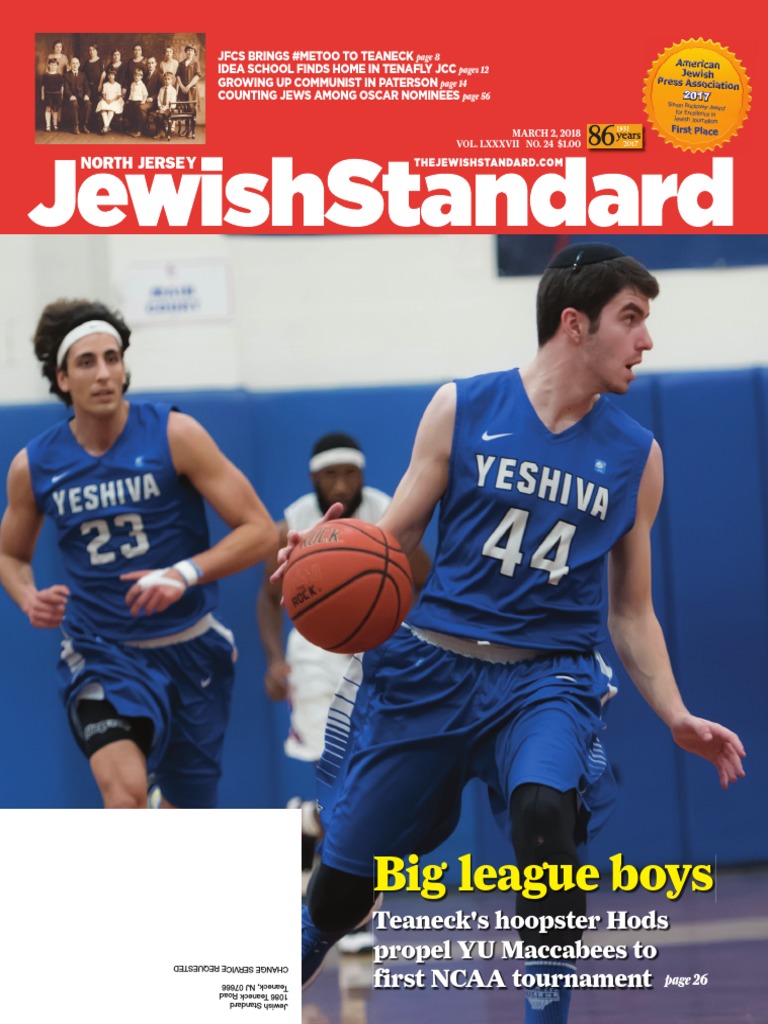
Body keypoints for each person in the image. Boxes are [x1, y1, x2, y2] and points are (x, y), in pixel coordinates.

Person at [284, 244, 747, 1020]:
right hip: (429, 671)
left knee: (545, 827)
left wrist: (675, 712)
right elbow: (393, 542)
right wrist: (321, 559)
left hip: (545, 681)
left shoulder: (637, 456)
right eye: (631, 318)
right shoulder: (462, 407)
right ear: (575, 324)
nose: (646, 340)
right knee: (339, 891)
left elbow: (631, 611)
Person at [0, 300, 278, 810]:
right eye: (87, 362)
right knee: (124, 794)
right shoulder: (34, 464)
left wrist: (184, 573)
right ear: (63, 379)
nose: (104, 373)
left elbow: (259, 530)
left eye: (113, 358)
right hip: (101, 652)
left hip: (190, 646)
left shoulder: (175, 435)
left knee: (185, 811)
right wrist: (26, 596)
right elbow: (10, 555)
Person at [257, 432, 430, 896]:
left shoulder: (386, 511)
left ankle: (307, 821)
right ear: (314, 477)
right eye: (330, 475)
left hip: (376, 650)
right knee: (337, 774)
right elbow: (269, 598)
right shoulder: (294, 520)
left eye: (350, 474)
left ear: (362, 475)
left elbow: (423, 577)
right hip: (314, 654)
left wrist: (413, 637)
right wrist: (274, 659)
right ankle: (349, 905)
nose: (340, 485)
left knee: (369, 777)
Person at [63, 57, 91, 134]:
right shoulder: (66, 75)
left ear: (79, 64)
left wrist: (87, 95)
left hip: (81, 97)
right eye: (73, 63)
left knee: (88, 104)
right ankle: (75, 126)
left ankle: (84, 125)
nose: (75, 65)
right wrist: (70, 96)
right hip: (71, 97)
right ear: (70, 65)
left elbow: (87, 88)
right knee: (74, 104)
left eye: (76, 63)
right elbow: (66, 89)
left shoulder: (83, 75)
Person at [95, 68, 124, 134]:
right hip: (106, 99)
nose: (111, 76)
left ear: (115, 76)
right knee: (103, 107)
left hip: (115, 100)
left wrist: (112, 100)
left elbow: (118, 95)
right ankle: (107, 126)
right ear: (108, 76)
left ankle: (105, 127)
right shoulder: (105, 84)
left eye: (112, 75)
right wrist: (106, 99)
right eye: (109, 75)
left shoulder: (117, 85)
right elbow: (103, 93)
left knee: (111, 109)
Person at [124, 67, 149, 137]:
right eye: (135, 75)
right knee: (132, 115)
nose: (137, 77)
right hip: (132, 101)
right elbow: (131, 93)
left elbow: (145, 94)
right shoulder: (132, 84)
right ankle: (133, 128)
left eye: (139, 75)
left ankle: (138, 130)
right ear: (133, 76)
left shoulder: (142, 85)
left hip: (138, 102)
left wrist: (143, 101)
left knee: (138, 116)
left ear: (141, 77)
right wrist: (129, 100)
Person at [40, 57, 63, 132]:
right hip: (48, 94)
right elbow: (43, 86)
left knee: (55, 109)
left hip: (57, 95)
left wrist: (61, 95)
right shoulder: (46, 75)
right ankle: (48, 125)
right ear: (49, 65)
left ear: (57, 66)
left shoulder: (59, 76)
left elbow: (61, 87)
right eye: (52, 65)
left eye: (55, 65)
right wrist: (42, 95)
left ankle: (55, 124)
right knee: (48, 109)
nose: (53, 66)